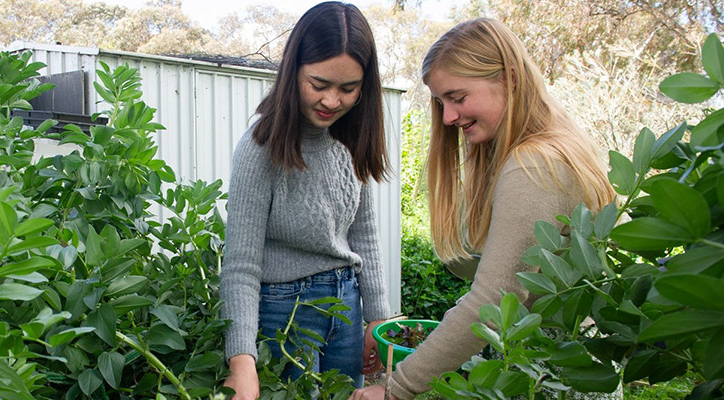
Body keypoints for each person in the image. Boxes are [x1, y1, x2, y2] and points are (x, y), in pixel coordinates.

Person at [350, 18, 617, 400]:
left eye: (458, 98)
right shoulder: (555, 146)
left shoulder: (534, 165)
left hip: (555, 375)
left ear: (509, 78)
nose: (447, 117)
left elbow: (492, 299)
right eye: (441, 103)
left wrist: (396, 388)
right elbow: (510, 287)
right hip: (568, 364)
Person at [219, 2, 395, 398]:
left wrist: (378, 322)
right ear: (292, 71)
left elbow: (363, 235)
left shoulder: (351, 139)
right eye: (319, 84)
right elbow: (241, 266)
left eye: (348, 89)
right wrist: (242, 360)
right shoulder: (260, 146)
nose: (332, 101)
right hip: (284, 312)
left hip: (346, 306)